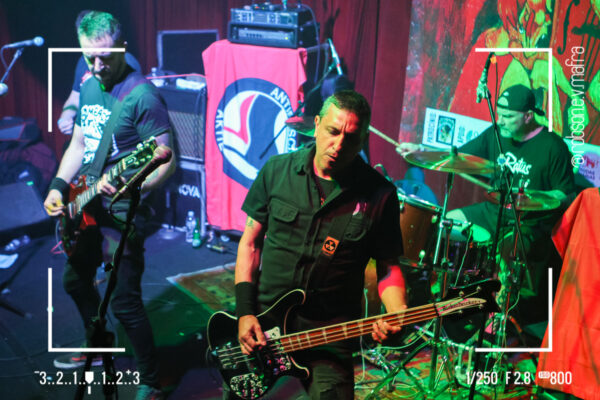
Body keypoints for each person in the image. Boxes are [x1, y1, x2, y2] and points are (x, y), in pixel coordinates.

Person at [233, 90, 408, 399]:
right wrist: (246, 312)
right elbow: (250, 243)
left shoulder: (380, 195)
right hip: (266, 323)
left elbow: (388, 267)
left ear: (363, 139)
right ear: (316, 125)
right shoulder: (277, 171)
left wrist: (395, 312)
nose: (339, 145)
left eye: (351, 138)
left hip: (329, 333)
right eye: (332, 131)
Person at [43, 11, 174, 400]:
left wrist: (131, 188)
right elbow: (80, 145)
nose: (98, 66)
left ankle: (151, 380)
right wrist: (57, 187)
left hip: (121, 211)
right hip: (85, 202)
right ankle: (100, 343)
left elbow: (166, 161)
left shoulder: (142, 96)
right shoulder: (87, 86)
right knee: (73, 281)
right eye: (89, 57)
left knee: (126, 301)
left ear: (123, 48)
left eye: (106, 57)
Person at [398, 84, 576, 319]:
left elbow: (567, 195)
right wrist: (421, 149)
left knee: (507, 250)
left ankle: (500, 315)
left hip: (527, 223)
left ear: (528, 116)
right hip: (492, 211)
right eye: (499, 114)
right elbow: (457, 156)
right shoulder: (495, 133)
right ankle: (438, 296)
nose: (500, 121)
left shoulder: (553, 147)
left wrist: (545, 197)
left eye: (508, 116)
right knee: (446, 224)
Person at [57, 10, 141, 136]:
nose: (96, 65)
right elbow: (74, 98)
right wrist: (65, 117)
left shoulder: (127, 62)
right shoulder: (82, 61)